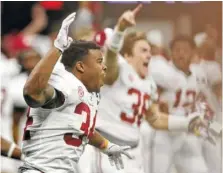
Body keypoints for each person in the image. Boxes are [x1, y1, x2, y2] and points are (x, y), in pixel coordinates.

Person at [81, 4, 210, 173]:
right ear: (127, 56)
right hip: (108, 150)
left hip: (134, 152)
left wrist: (186, 122)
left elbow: (155, 118)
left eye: (149, 51)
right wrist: (120, 30)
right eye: (143, 51)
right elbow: (111, 61)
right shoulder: (117, 69)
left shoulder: (148, 82)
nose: (149, 55)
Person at [19, 12, 132, 173]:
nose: (104, 66)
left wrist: (106, 146)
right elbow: (32, 93)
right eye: (99, 61)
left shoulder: (85, 91)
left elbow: (79, 127)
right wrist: (57, 48)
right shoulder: (66, 82)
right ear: (81, 66)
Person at [143, 35, 217, 173]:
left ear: (193, 52)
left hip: (187, 134)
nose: (181, 54)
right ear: (171, 52)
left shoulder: (197, 74)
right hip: (164, 134)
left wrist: (213, 125)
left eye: (185, 50)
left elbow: (202, 102)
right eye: (177, 50)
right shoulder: (164, 71)